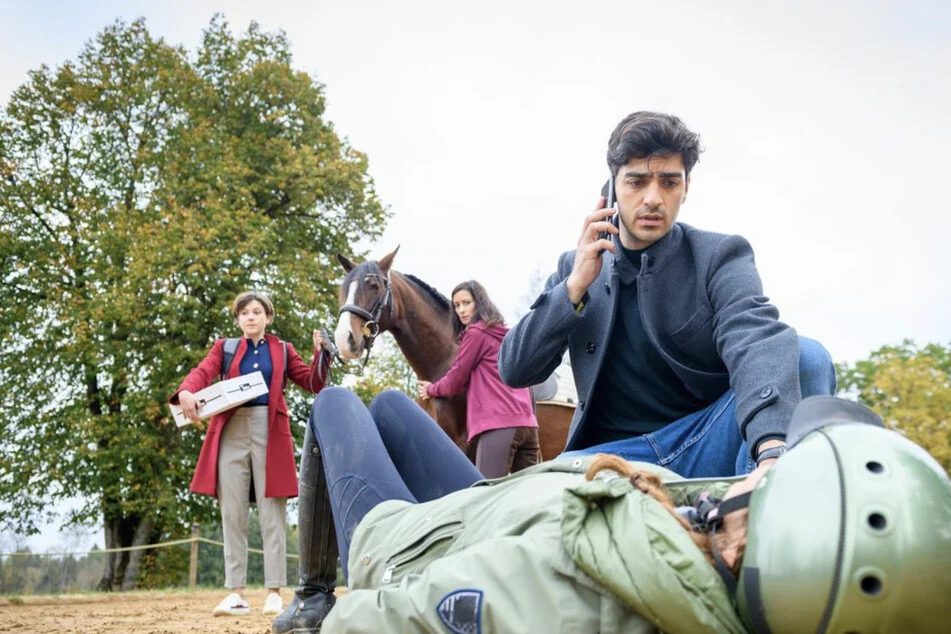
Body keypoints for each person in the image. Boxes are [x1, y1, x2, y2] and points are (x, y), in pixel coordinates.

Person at [283, 388, 951, 633]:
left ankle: (312, 595)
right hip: (483, 511)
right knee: (398, 408)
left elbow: (384, 622)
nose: (765, 466)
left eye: (782, 476)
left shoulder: (572, 597)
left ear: (752, 546)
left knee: (338, 403)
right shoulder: (702, 523)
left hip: (402, 549)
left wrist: (342, 613)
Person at [499, 111, 837, 476]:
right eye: (637, 182)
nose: (653, 198)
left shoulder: (719, 257)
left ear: (686, 187)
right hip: (609, 457)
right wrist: (573, 288)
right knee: (537, 489)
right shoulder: (577, 268)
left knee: (807, 357)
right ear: (612, 188)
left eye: (669, 182)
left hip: (704, 444)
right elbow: (515, 369)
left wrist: (773, 450)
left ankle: (762, 505)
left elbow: (754, 337)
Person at [170, 291, 331, 617]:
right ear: (238, 319)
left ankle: (274, 591)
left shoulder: (283, 350)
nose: (251, 317)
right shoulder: (224, 348)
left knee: (273, 514)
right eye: (244, 313)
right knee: (232, 512)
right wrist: (186, 390)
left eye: (257, 311)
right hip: (230, 429)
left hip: (270, 430)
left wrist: (321, 355)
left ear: (267, 317)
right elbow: (202, 372)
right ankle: (236, 593)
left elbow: (313, 383)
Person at [416, 280, 540, 478]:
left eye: (466, 303)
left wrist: (430, 389)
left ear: (479, 303)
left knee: (487, 495)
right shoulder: (505, 334)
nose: (461, 310)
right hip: (528, 426)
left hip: (499, 425)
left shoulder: (476, 333)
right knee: (528, 498)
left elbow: (455, 380)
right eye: (457, 306)